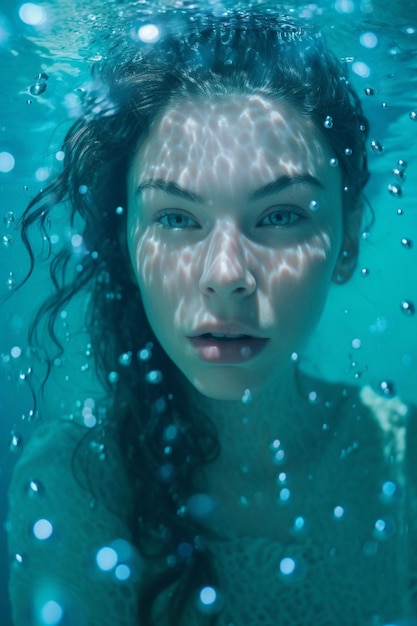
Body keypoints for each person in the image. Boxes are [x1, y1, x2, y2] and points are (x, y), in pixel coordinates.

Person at [6, 8, 417, 626]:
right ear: (125, 242)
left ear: (349, 239)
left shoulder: (402, 457)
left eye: (280, 216)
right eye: (175, 217)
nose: (226, 274)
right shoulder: (73, 486)